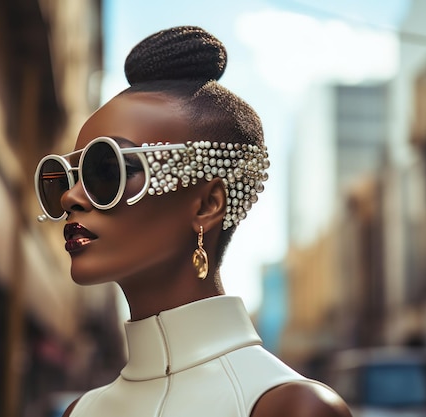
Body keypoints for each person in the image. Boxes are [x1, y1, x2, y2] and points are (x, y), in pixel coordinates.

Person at [35, 26, 352, 417]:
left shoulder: (289, 408)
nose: (70, 197)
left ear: (207, 204)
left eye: (106, 170)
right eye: (64, 177)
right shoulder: (81, 412)